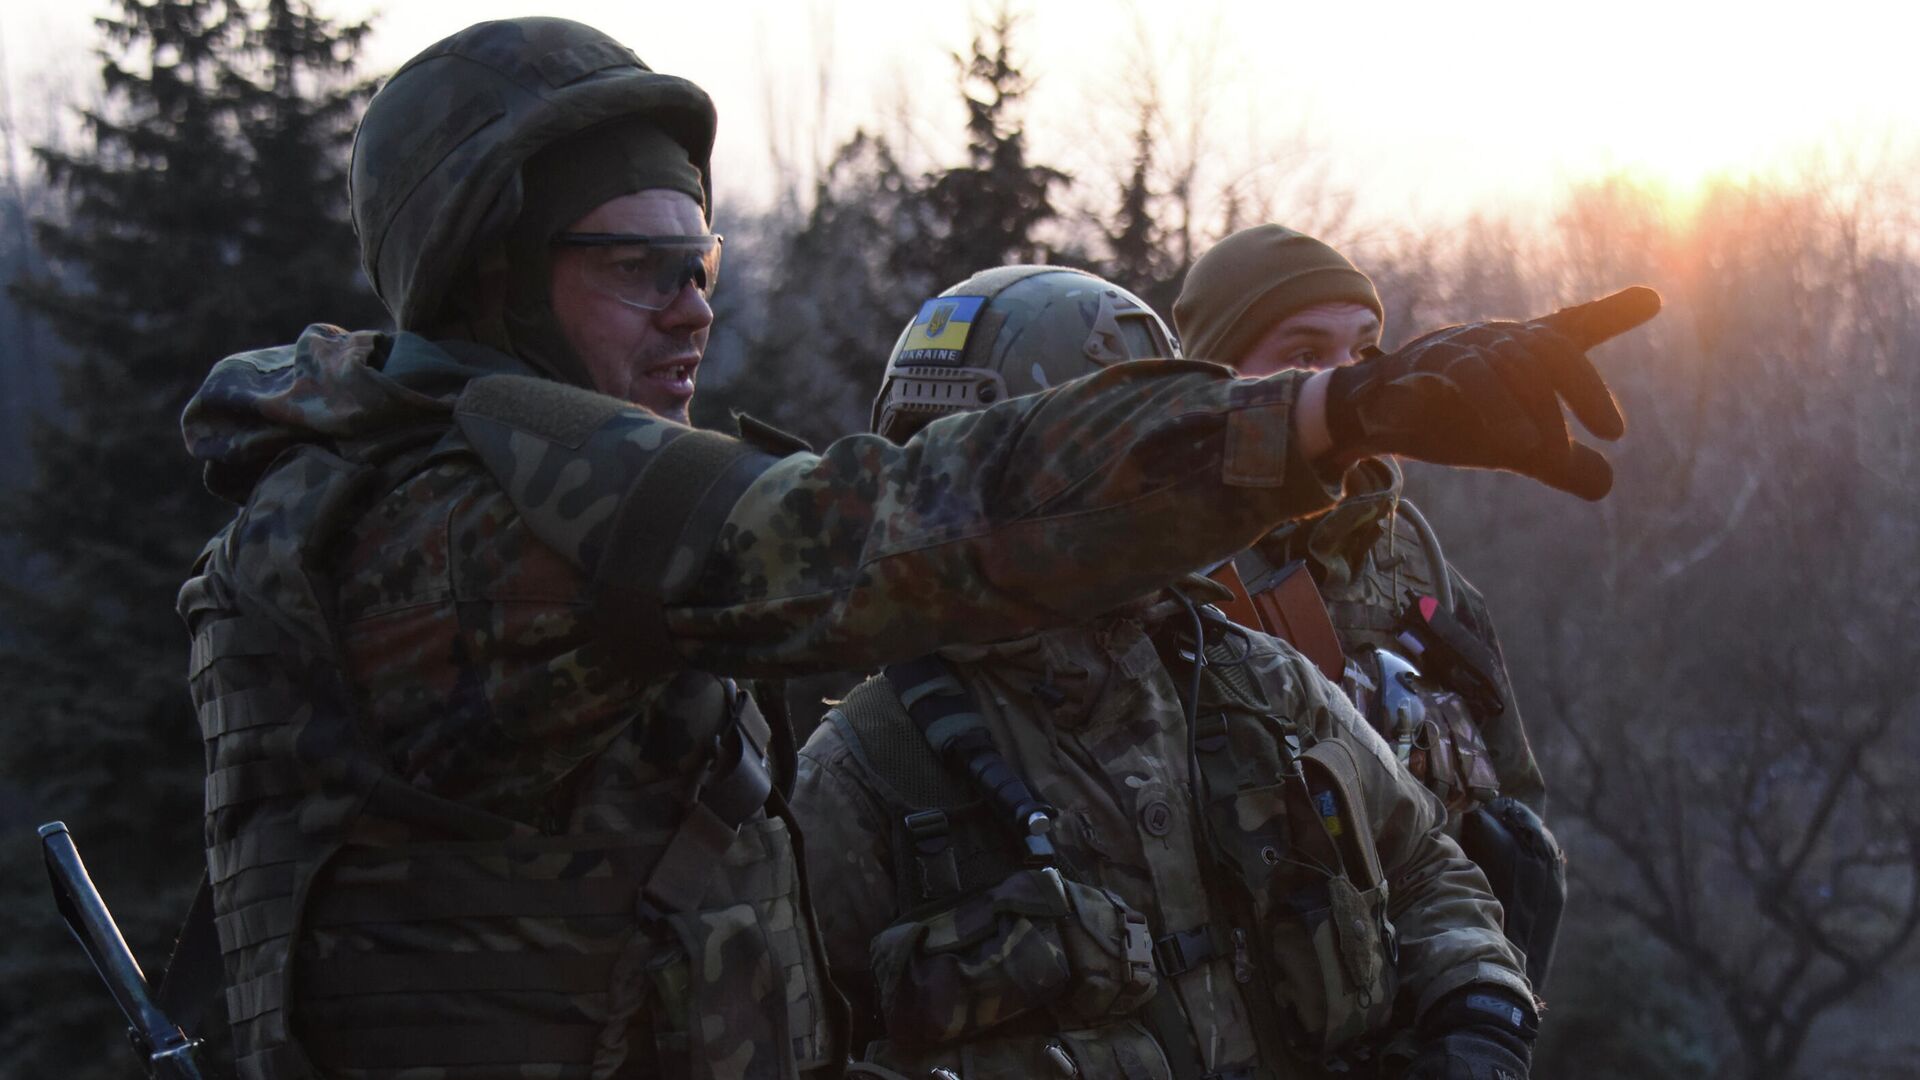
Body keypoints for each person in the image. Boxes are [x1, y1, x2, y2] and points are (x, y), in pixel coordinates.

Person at [175, 17, 1653, 1079]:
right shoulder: (443, 540)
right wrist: (1322, 416)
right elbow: (871, 530)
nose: (691, 306)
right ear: (486, 272)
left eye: (699, 262)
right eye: (636, 265)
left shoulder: (539, 501)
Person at [793, 266, 1545, 1080]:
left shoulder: (1252, 681)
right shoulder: (867, 774)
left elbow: (1427, 866)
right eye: (1114, 465)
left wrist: (1479, 1025)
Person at [1175, 224, 1567, 987]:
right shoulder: (1168, 574)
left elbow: (1515, 794)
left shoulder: (1420, 572)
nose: (1345, 381)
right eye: (1301, 356)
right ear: (1216, 374)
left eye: (1360, 352)